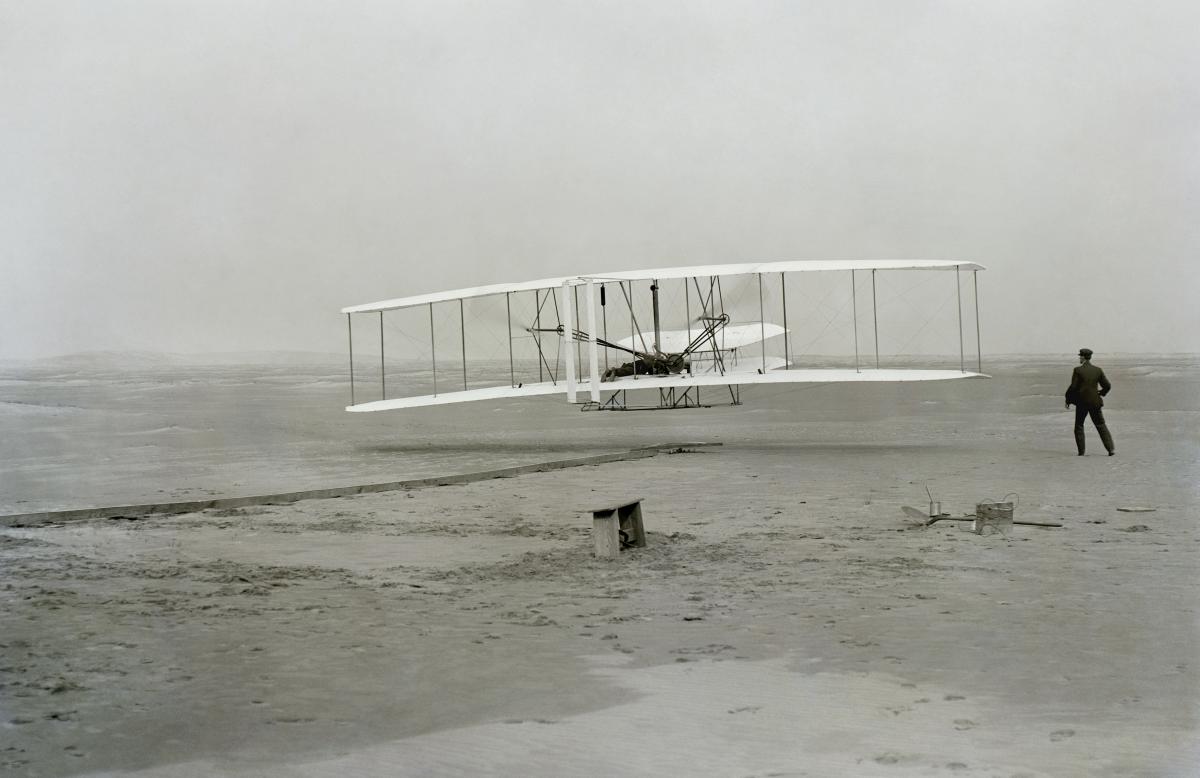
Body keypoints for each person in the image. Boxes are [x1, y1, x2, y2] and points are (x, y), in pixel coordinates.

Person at [1065, 348, 1115, 456]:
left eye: (1080, 356)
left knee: (1079, 426)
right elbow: (1107, 386)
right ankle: (1111, 450)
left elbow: (1073, 387)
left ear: (1083, 357)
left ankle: (1081, 452)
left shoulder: (1078, 370)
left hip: (1082, 403)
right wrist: (1101, 393)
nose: (1079, 358)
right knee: (1101, 425)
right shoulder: (1098, 370)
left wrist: (1068, 399)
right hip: (1095, 402)